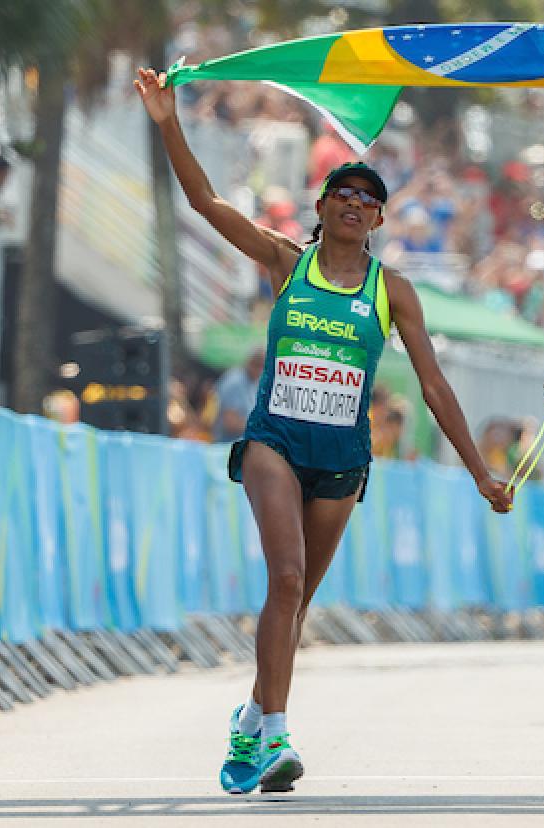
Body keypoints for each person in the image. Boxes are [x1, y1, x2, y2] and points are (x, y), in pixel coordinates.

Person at [135, 67, 512, 795]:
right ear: (321, 204)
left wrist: (481, 473)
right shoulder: (286, 261)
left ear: (378, 220)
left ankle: (250, 720)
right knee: (286, 576)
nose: (356, 202)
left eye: (370, 198)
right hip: (276, 438)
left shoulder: (392, 290)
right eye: (344, 191)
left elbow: (433, 385)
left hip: (341, 456)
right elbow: (204, 200)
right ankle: (275, 736)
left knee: (297, 603)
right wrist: (166, 121)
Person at [212, 347, 265, 443]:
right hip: (226, 447)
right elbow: (230, 423)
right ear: (251, 363)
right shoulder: (235, 382)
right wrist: (261, 428)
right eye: (259, 366)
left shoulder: (253, 382)